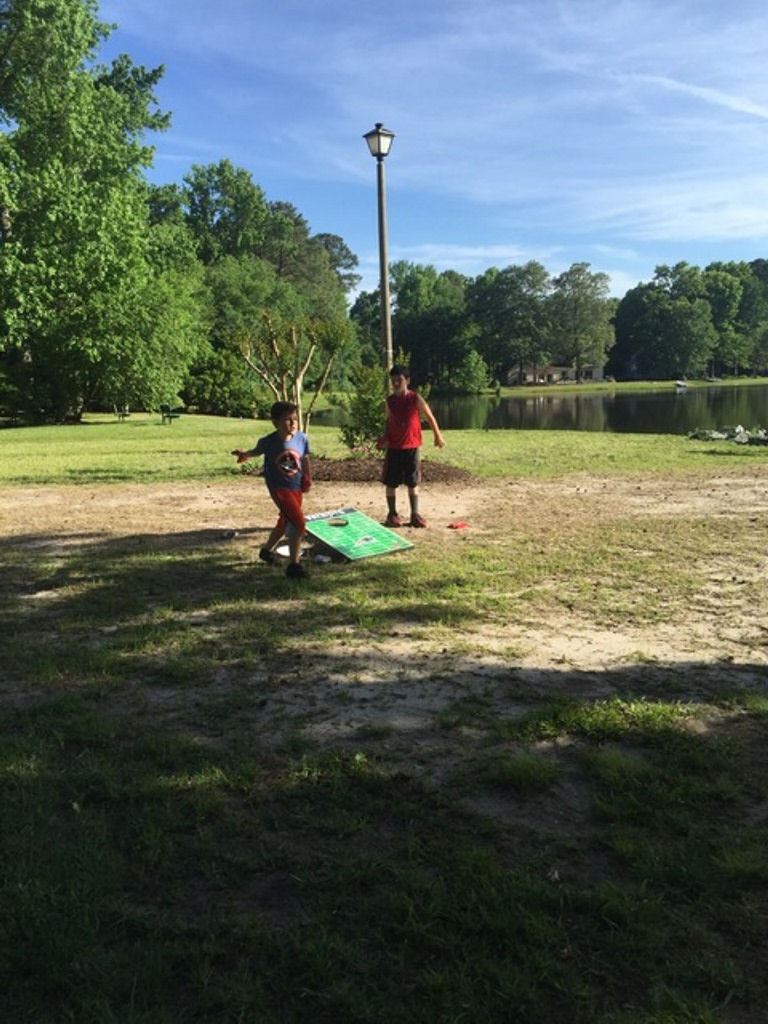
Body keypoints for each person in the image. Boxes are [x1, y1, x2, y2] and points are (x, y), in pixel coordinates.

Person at [232, 401, 312, 579]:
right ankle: (294, 566)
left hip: (296, 486)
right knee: (298, 523)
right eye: (287, 420)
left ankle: (266, 552)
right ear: (275, 423)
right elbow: (256, 451)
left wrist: (307, 478)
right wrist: (244, 455)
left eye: (295, 419)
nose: (293, 423)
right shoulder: (268, 441)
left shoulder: (301, 438)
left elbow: (305, 458)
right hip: (279, 488)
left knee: (285, 520)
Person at [379, 364, 445, 528]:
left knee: (413, 482)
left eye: (399, 380)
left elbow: (429, 416)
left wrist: (437, 435)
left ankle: (415, 514)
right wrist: (385, 438)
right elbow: (388, 421)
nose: (395, 383)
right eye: (393, 380)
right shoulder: (390, 401)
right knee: (391, 482)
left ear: (407, 381)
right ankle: (392, 514)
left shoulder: (415, 398)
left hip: (412, 447)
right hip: (394, 447)